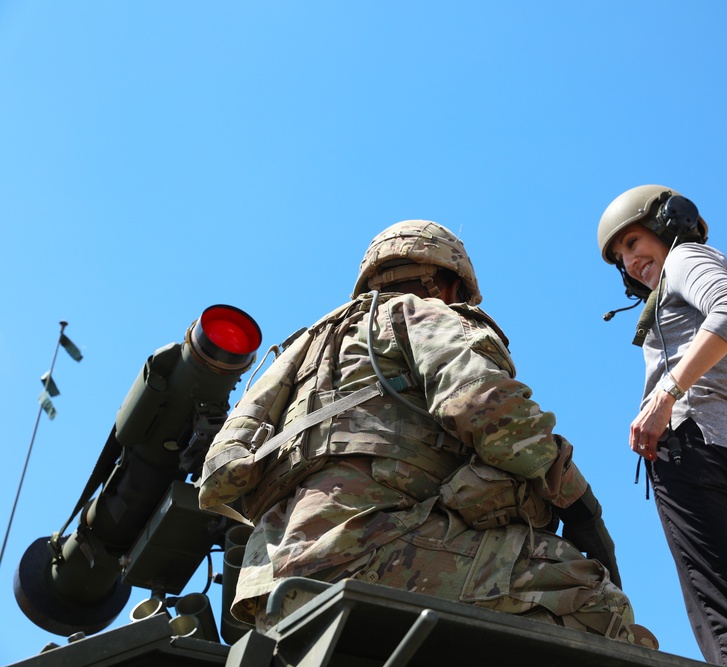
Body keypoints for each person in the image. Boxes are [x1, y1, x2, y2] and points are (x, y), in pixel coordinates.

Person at [198, 219, 656, 648]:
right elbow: (487, 408)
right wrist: (575, 500)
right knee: (592, 598)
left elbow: (220, 477)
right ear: (445, 281)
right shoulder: (421, 314)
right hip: (371, 548)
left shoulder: (299, 351)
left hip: (271, 587)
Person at [597, 185, 727, 666]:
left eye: (634, 242)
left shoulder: (687, 258)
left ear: (666, 225)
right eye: (622, 256)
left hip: (695, 449)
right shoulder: (694, 266)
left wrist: (666, 394)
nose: (631, 261)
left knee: (725, 622)